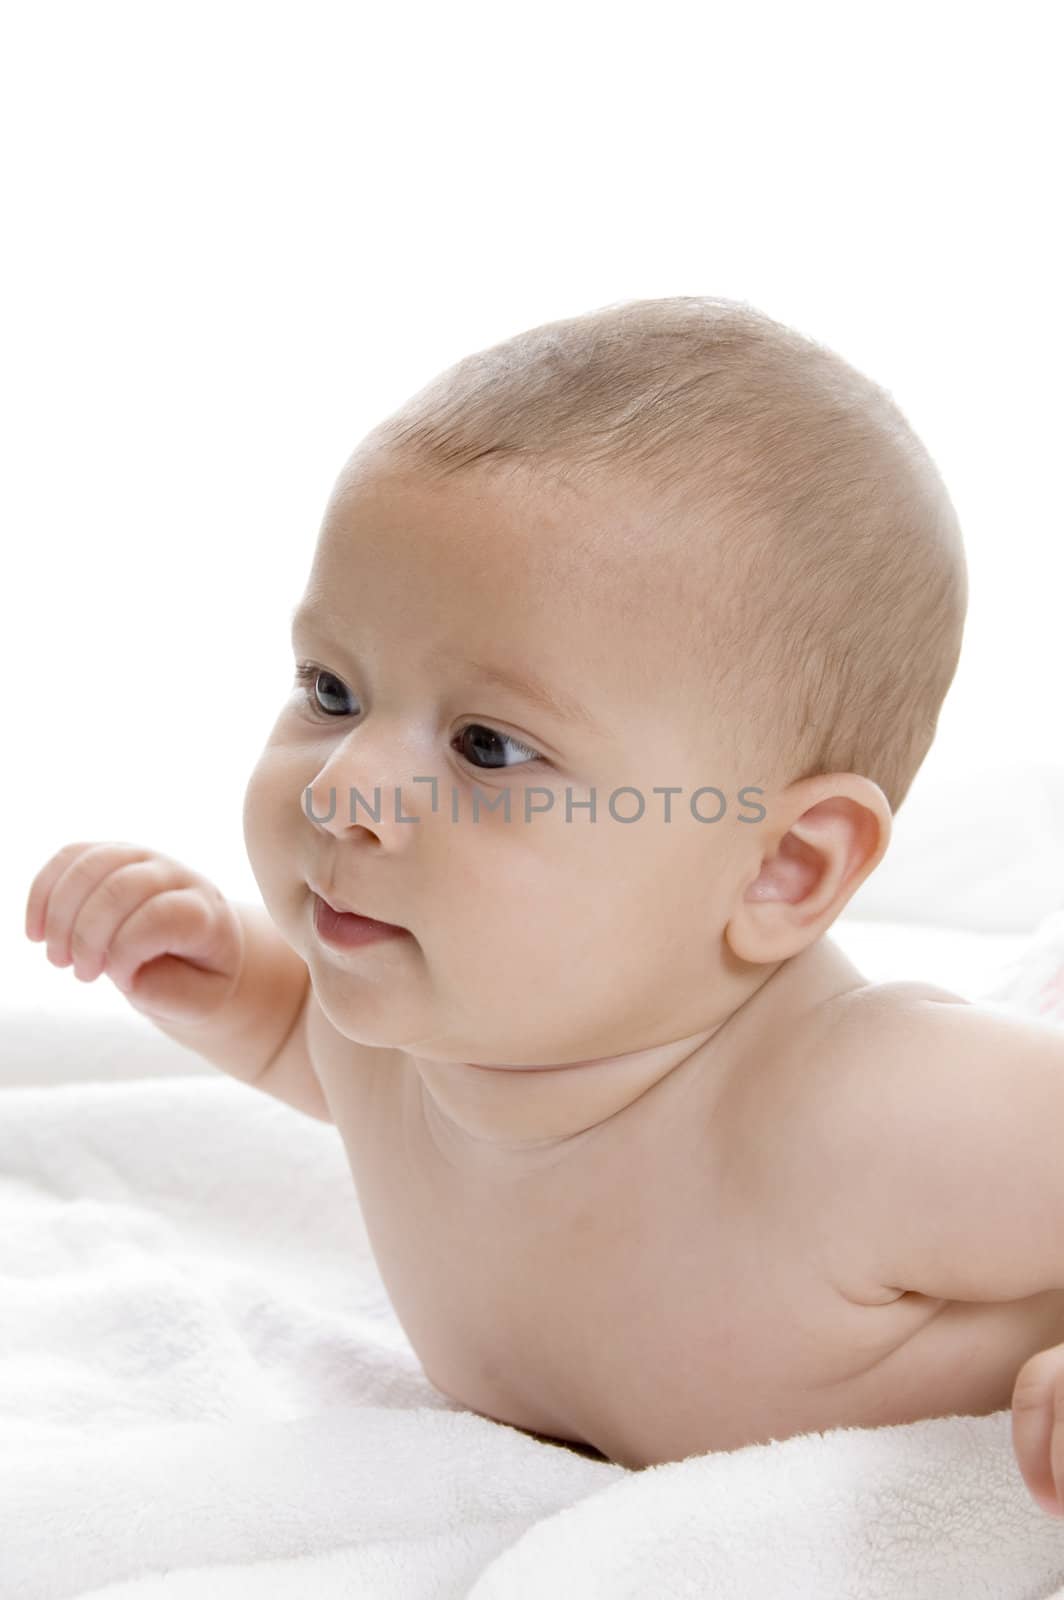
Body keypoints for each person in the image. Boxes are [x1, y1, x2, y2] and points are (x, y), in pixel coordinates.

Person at [26, 295, 1064, 1518]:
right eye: (331, 686)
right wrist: (215, 978)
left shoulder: (864, 1111)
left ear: (781, 867)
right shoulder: (406, 1033)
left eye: (486, 745)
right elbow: (301, 1039)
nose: (343, 785)